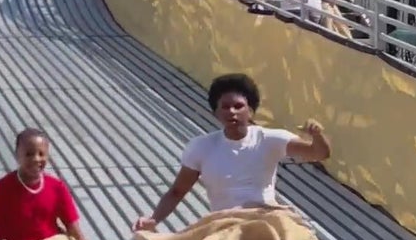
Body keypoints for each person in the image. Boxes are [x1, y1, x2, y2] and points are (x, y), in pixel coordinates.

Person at [132, 74, 330, 232]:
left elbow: (318, 154)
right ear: (216, 113)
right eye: (225, 107)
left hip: (267, 216)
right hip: (225, 223)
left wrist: (317, 136)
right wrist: (153, 220)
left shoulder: (270, 139)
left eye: (238, 106)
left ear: (250, 111)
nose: (232, 112)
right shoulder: (201, 146)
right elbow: (177, 191)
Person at [0, 129, 99, 240]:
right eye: (29, 154)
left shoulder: (56, 188)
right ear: (17, 155)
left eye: (41, 154)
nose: (36, 159)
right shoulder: (0, 190)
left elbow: (75, 232)